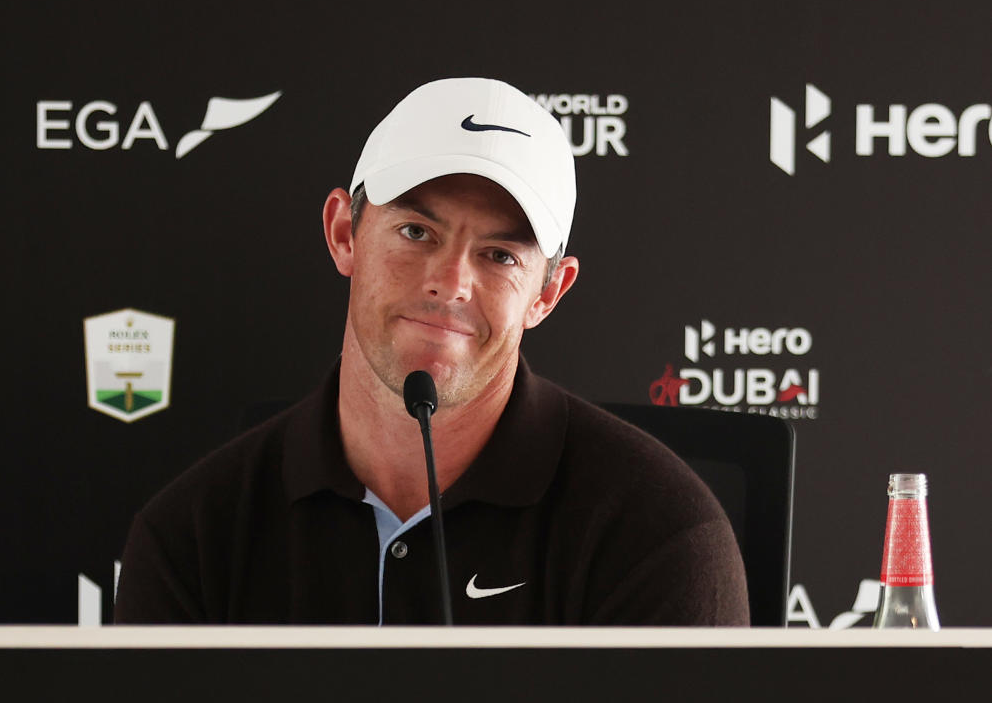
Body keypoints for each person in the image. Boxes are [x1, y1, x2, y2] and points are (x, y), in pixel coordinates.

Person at [115, 78, 749, 625]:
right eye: (416, 231)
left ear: (547, 294)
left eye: (500, 255)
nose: (451, 281)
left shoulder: (661, 534)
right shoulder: (192, 537)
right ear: (344, 235)